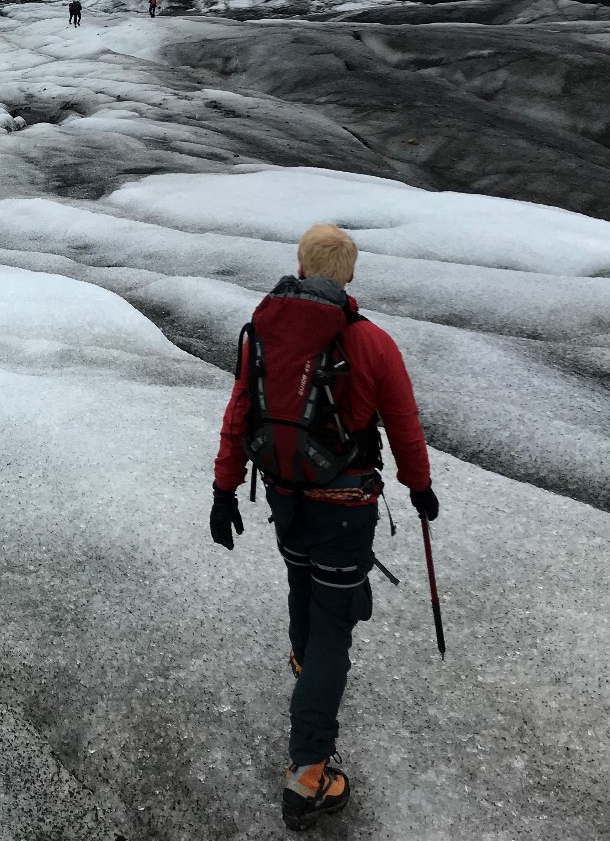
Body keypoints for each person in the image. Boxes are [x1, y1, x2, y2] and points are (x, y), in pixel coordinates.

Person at [209, 223, 438, 832]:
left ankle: (306, 666)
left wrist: (223, 489)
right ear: (350, 274)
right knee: (335, 625)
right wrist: (421, 487)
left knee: (302, 587)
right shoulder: (372, 344)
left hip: (285, 498)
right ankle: (309, 771)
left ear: (300, 264)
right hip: (345, 506)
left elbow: (239, 412)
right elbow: (404, 426)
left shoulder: (262, 333)